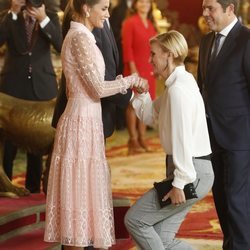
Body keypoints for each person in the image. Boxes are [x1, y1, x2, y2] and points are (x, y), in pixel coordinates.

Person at [44, 0, 148, 249]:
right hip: (80, 122)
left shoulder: (85, 37)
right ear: (87, 8)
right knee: (78, 200)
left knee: (86, 197)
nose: (108, 13)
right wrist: (131, 80)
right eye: (104, 8)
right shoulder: (79, 38)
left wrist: (122, 81)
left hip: (89, 122)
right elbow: (98, 88)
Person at [124, 31, 214, 249]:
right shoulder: (181, 83)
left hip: (190, 173)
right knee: (163, 241)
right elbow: (150, 115)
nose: (149, 60)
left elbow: (182, 137)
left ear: (169, 55)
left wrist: (179, 183)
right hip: (194, 171)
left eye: (153, 54)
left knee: (135, 220)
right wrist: (141, 94)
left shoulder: (178, 91)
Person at [198, 0, 250, 249]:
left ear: (230, 9)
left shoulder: (247, 39)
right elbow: (203, 89)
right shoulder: (207, 41)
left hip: (241, 138)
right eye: (204, 7)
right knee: (220, 199)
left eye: (211, 8)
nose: (205, 13)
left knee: (237, 203)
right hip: (211, 136)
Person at [0, 0, 62, 193]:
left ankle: (33, 191)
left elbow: (61, 45)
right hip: (13, 87)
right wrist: (13, 12)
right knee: (7, 144)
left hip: (42, 87)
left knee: (37, 144)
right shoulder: (8, 16)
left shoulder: (50, 16)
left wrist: (43, 19)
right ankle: (5, 188)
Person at [121, 0, 157, 154]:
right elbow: (127, 48)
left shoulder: (150, 23)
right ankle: (133, 140)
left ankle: (142, 138)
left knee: (146, 104)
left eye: (147, 2)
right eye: (141, 1)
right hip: (134, 69)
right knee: (133, 105)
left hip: (149, 69)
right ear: (135, 4)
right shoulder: (130, 22)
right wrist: (134, 72)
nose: (145, 4)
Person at [110, 0, 133, 130]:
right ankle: (120, 121)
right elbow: (113, 32)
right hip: (121, 53)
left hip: (132, 52)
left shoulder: (138, 5)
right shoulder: (119, 9)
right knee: (121, 84)